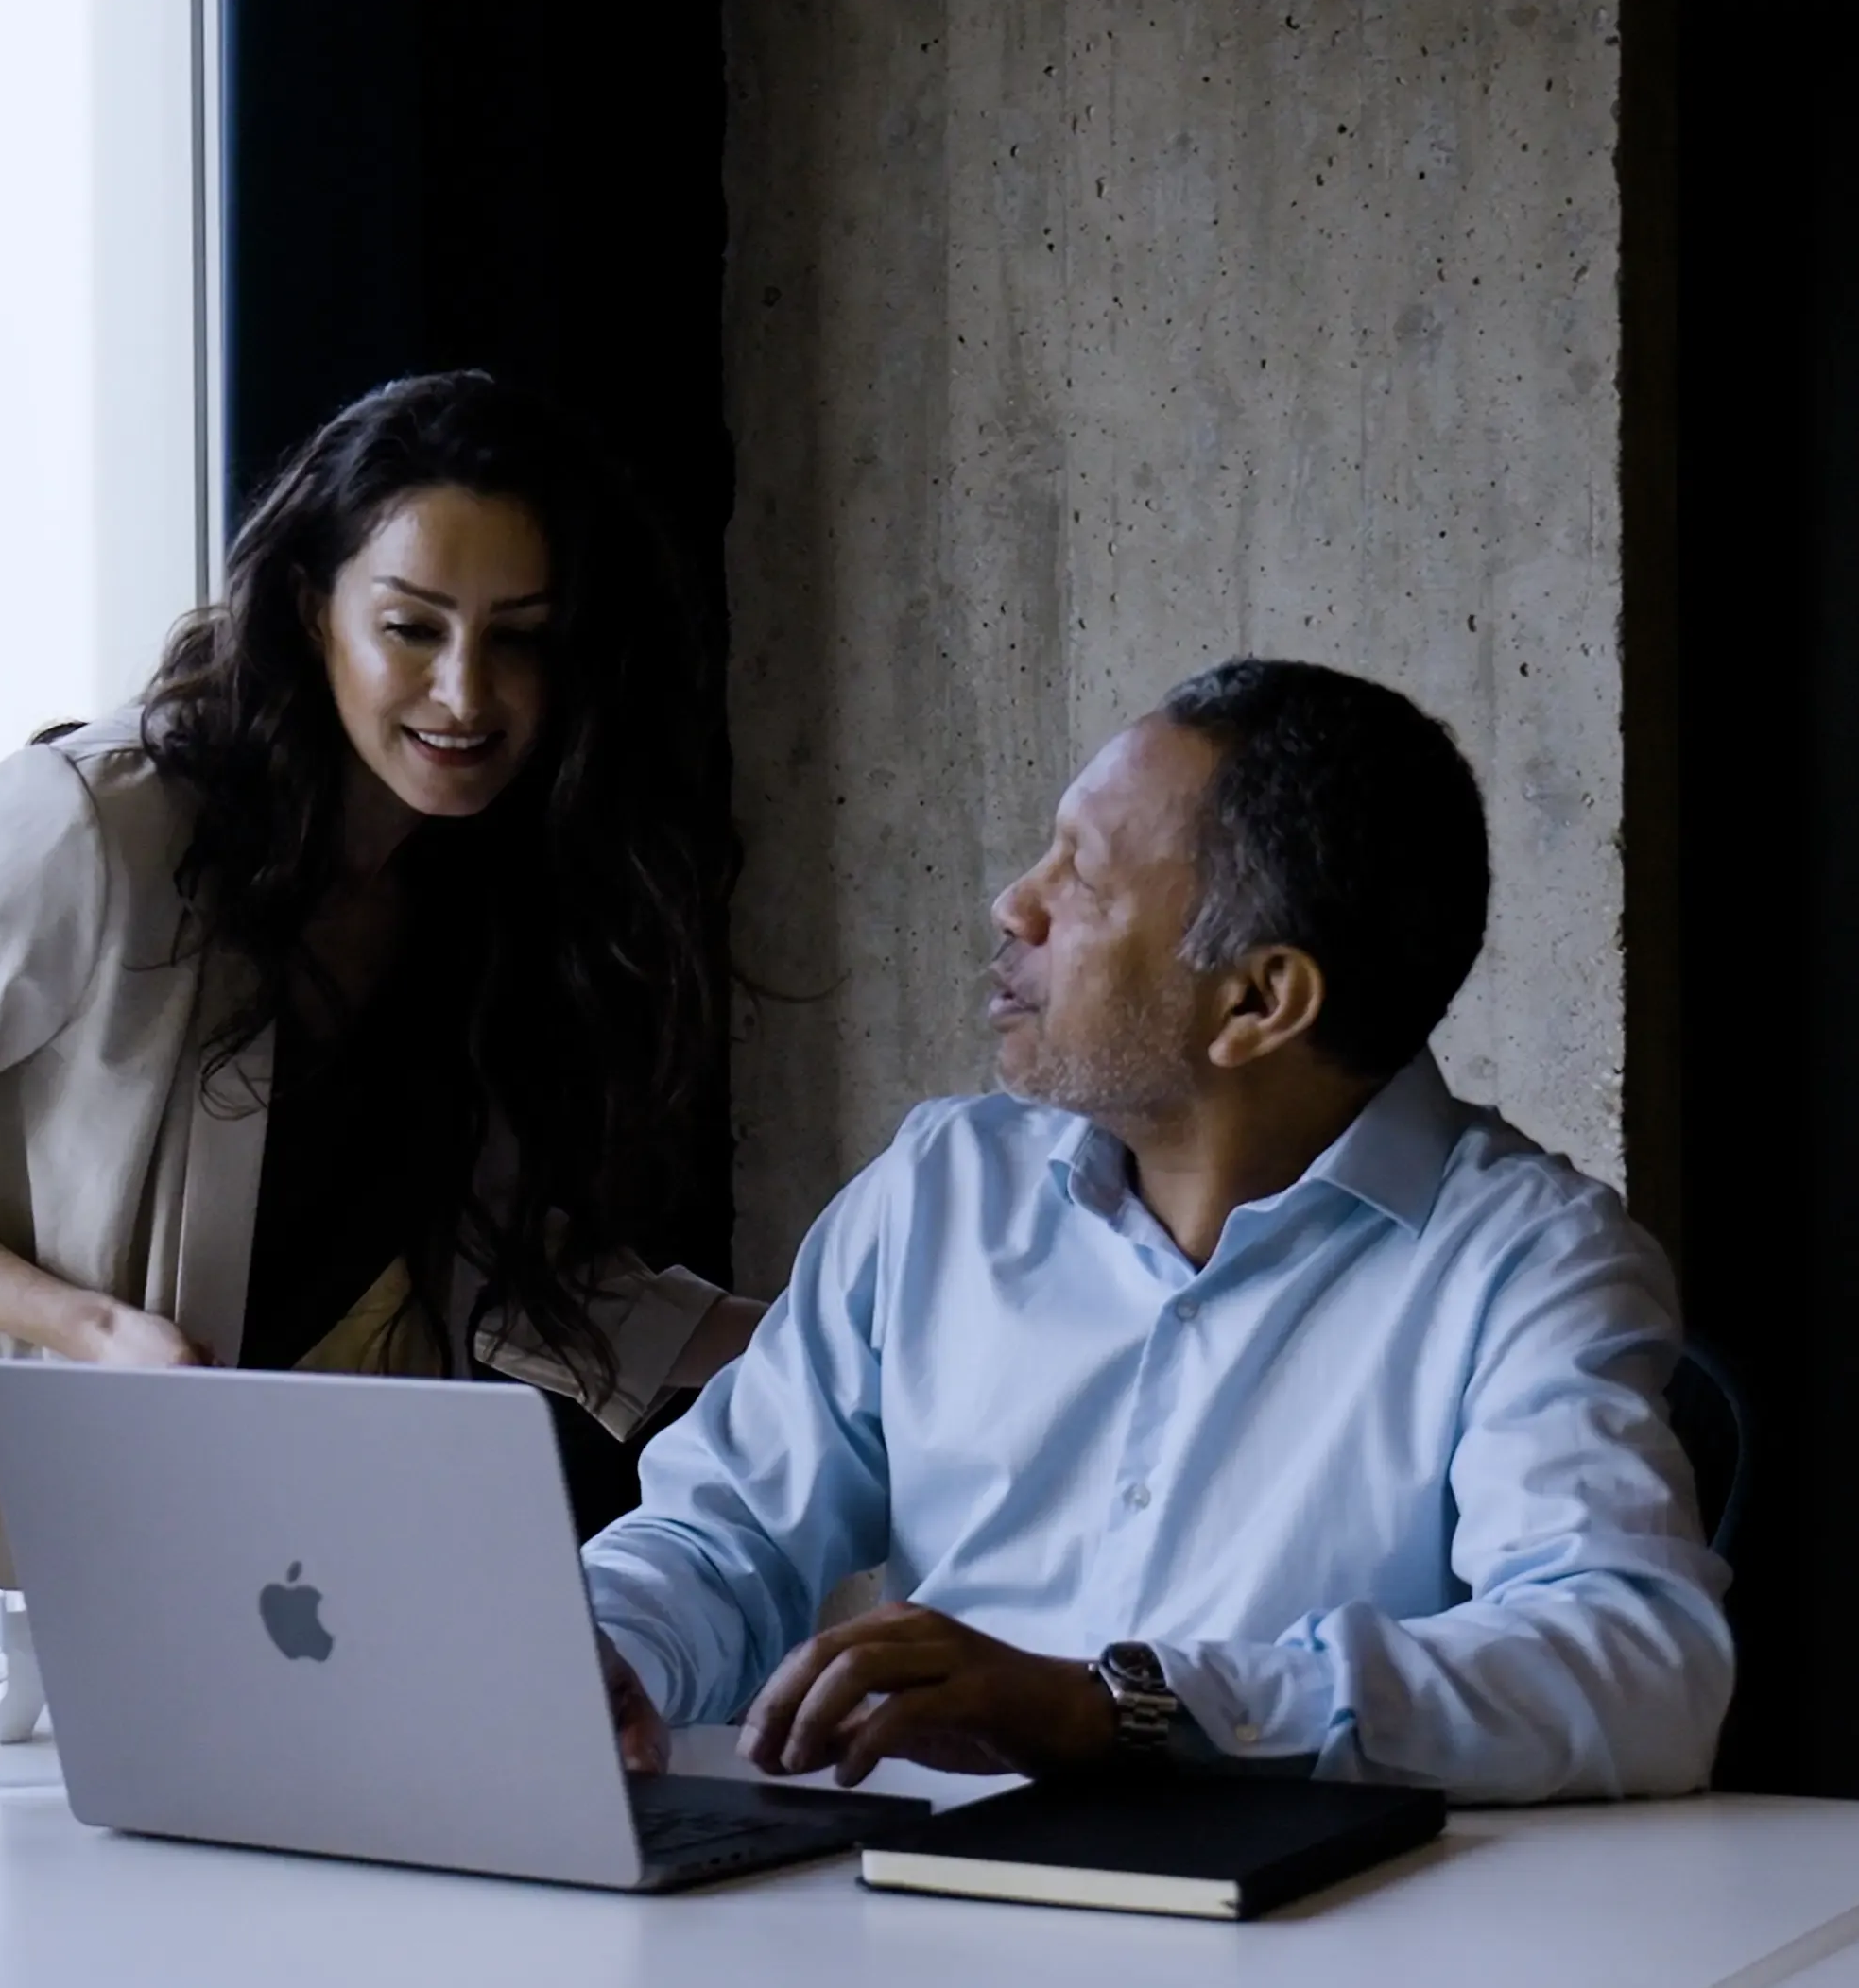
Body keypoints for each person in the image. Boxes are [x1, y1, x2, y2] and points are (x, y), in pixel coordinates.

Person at [0, 372, 762, 1658]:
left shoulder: (478, 897)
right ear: (314, 613)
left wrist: (864, 1333)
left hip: (183, 1603)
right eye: (412, 627)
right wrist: (84, 1326)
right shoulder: (98, 827)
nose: (466, 694)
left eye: (519, 637)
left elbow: (514, 1272)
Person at [583, 660, 1733, 1803]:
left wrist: (1122, 1706)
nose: (1013, 905)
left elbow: (1633, 1667)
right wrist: (605, 1651)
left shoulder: (1526, 1260)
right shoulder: (940, 1191)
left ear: (1258, 1002)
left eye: (1079, 877)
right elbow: (717, 1532)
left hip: (1310, 1947)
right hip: (923, 1922)